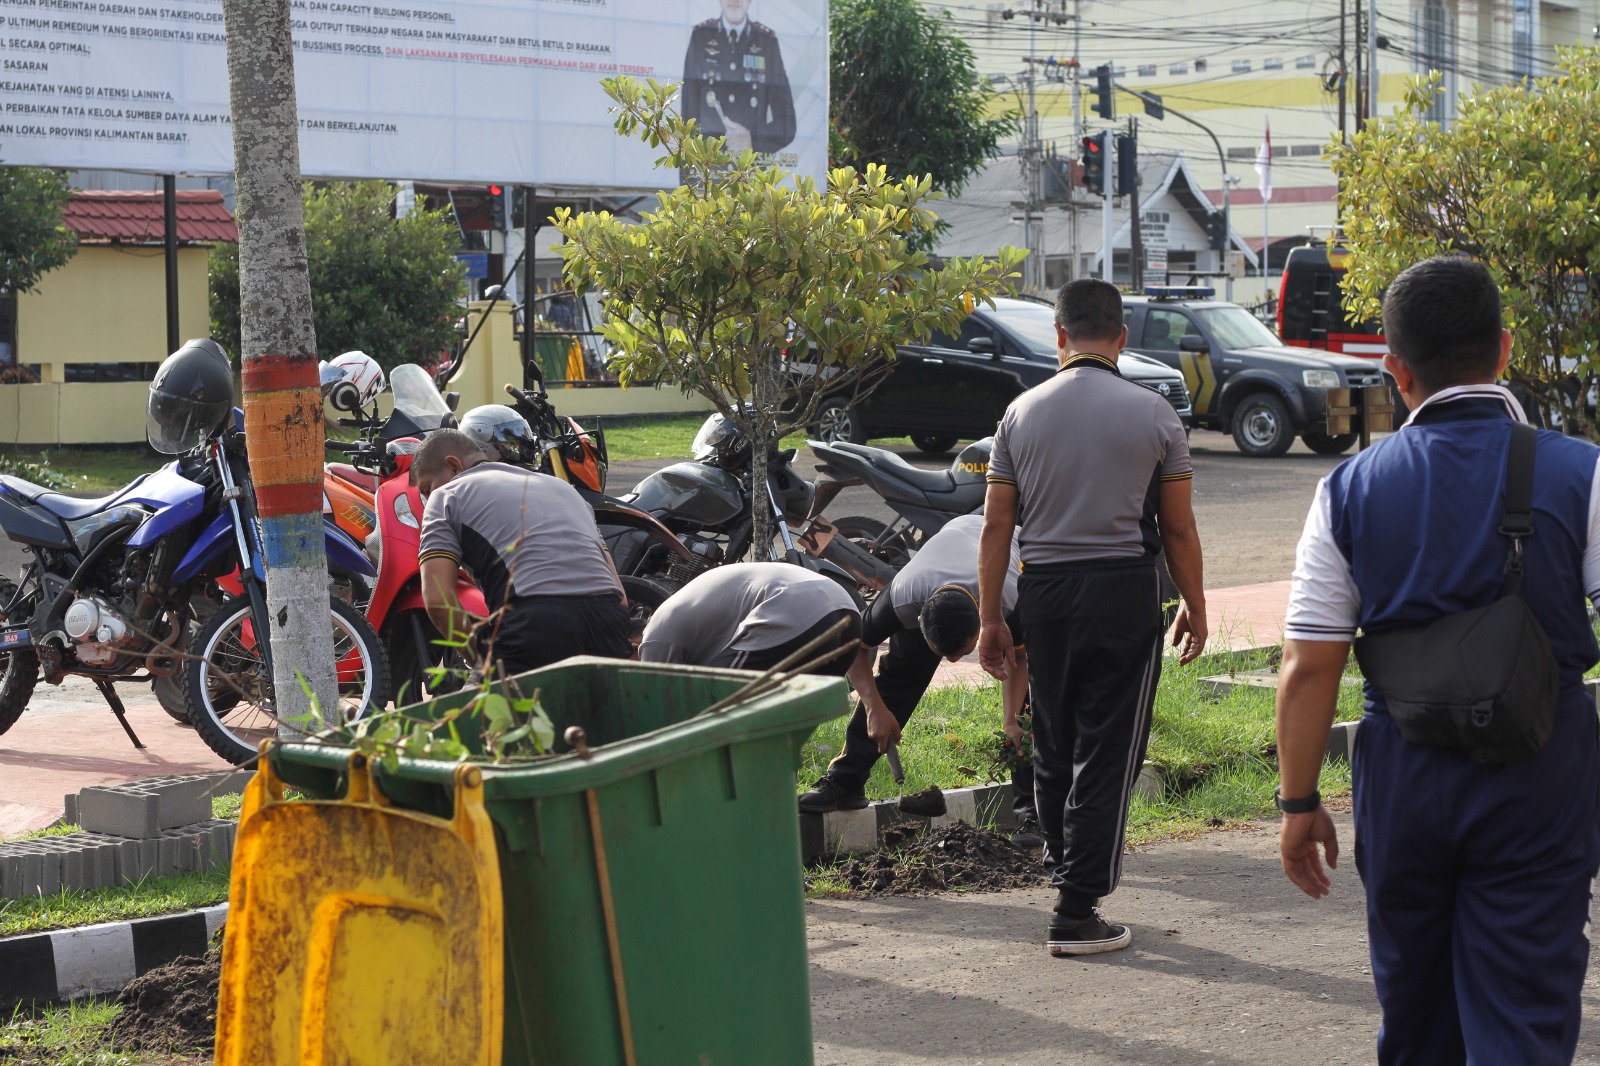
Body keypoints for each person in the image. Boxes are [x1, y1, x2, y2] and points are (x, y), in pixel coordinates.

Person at [1275, 258, 1600, 1062]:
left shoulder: (1347, 489)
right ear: (1505, 347)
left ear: (1395, 368)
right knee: (1523, 1015)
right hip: (1542, 769)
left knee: (1415, 1014)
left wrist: (1298, 802)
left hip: (1405, 775)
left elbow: (1309, 666)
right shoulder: (1581, 474)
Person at [978, 277, 1207, 957]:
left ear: (1058, 335)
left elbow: (996, 528)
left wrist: (992, 617)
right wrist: (1196, 602)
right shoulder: (1156, 414)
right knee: (1109, 749)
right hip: (1123, 593)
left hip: (1043, 593)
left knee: (1055, 734)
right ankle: (1076, 909)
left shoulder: (1018, 414)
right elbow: (1179, 529)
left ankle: (1062, 864)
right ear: (1122, 338)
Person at [797, 514, 1035, 827]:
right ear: (920, 622)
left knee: (1030, 707)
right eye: (943, 654)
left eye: (963, 653)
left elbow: (1020, 663)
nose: (951, 663)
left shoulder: (1010, 603)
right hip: (944, 559)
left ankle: (1029, 811)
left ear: (980, 626)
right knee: (899, 677)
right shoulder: (901, 598)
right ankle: (844, 783)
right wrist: (873, 707)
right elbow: (857, 647)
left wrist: (1009, 720)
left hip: (1012, 549)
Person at [413, 430, 631, 675]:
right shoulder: (567, 490)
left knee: (485, 711)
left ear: (453, 466)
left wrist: (480, 661)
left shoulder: (446, 496)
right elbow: (620, 595)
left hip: (533, 625)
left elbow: (437, 600)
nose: (427, 499)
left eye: (426, 489)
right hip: (609, 622)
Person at [637, 562, 860, 675]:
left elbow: (662, 707)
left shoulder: (654, 638)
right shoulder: (679, 615)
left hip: (790, 607)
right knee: (780, 724)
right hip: (845, 607)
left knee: (713, 710)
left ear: (633, 645)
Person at [682, 0, 796, 156]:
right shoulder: (700, 38)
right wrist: (689, 178)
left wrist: (752, 140)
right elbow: (688, 120)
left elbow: (787, 124)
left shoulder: (767, 42)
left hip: (750, 173)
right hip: (710, 173)